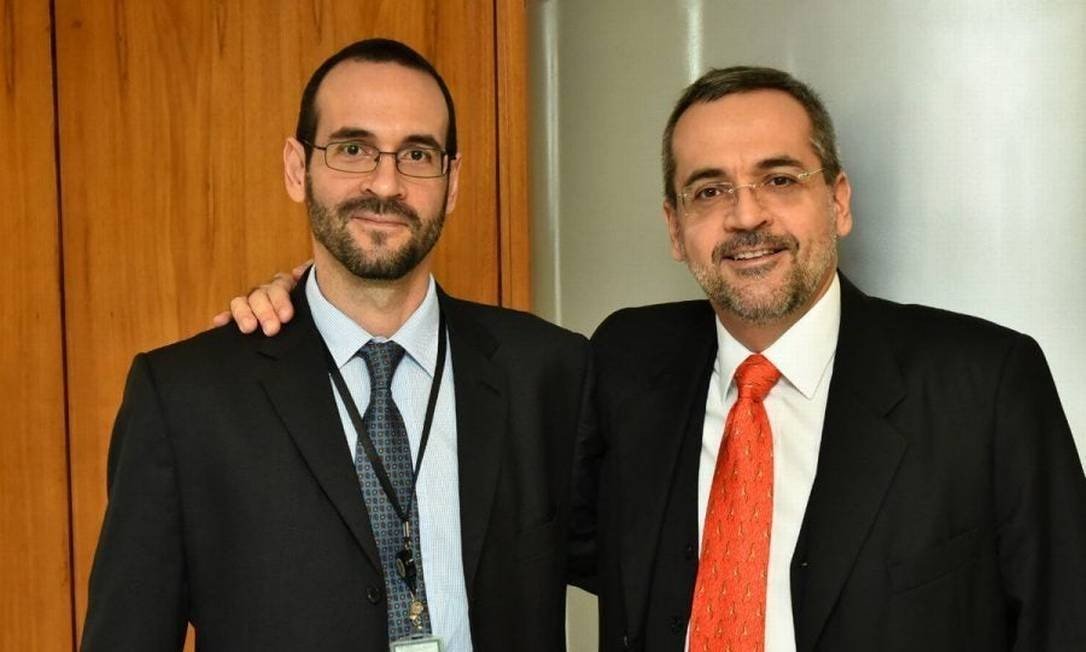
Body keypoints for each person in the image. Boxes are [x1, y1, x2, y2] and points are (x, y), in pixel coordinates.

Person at [221, 66, 1086, 651]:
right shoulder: (626, 365)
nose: (745, 216)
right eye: (708, 190)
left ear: (840, 201)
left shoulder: (984, 383)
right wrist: (317, 304)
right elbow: (516, 531)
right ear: (675, 228)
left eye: (780, 178)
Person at [82, 38, 591, 652]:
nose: (386, 184)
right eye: (353, 149)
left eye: (417, 154)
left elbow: (655, 562)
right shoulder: (186, 398)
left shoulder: (549, 373)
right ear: (297, 168)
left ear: (451, 182)